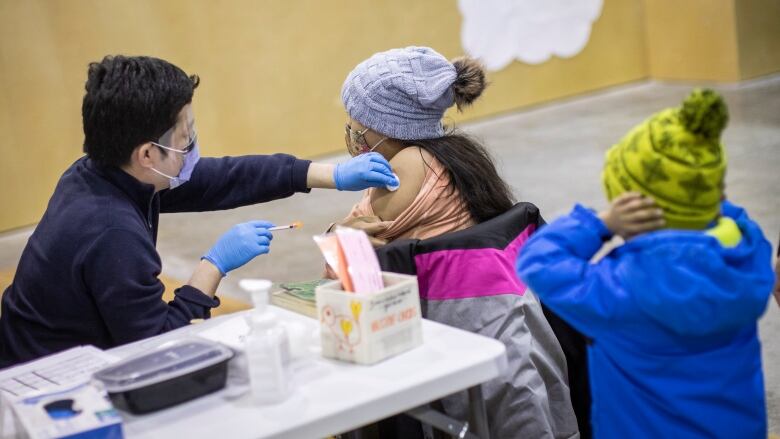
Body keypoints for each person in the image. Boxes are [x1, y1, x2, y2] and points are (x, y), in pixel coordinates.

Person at [0, 55, 398, 368]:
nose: (192, 145)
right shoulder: (111, 232)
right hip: (49, 379)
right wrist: (213, 265)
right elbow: (159, 345)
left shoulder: (102, 172)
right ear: (148, 154)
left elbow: (224, 178)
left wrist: (330, 174)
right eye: (185, 137)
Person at [335, 46, 579, 438]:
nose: (354, 130)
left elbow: (344, 265)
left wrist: (337, 233)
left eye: (360, 121)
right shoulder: (458, 155)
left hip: (455, 344)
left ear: (389, 121)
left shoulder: (403, 167)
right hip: (510, 331)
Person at [516, 89, 775, 438]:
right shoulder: (748, 260)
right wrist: (701, 198)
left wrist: (601, 223)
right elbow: (738, 221)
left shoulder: (618, 290)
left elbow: (537, 259)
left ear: (630, 206)